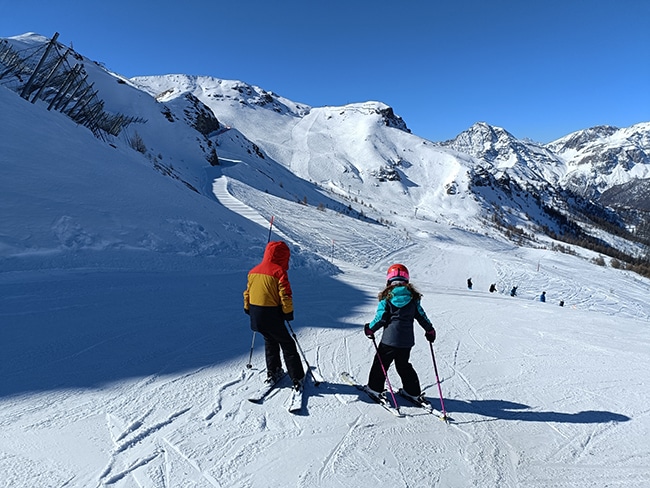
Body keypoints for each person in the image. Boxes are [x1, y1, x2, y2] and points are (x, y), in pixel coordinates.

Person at [364, 263, 436, 401]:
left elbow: (381, 318)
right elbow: (421, 316)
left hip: (389, 341)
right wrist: (430, 330)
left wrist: (370, 329)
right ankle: (412, 391)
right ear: (407, 280)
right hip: (406, 342)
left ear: (389, 280)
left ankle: (374, 388)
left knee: (381, 364)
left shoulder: (387, 298)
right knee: (403, 365)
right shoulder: (413, 298)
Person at [244, 241, 305, 390]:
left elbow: (247, 293)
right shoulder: (279, 272)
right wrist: (288, 312)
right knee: (287, 344)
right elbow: (285, 295)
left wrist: (248, 308)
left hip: (256, 315)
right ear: (283, 256)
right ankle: (297, 377)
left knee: (270, 340)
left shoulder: (253, 271)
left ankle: (273, 371)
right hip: (272, 315)